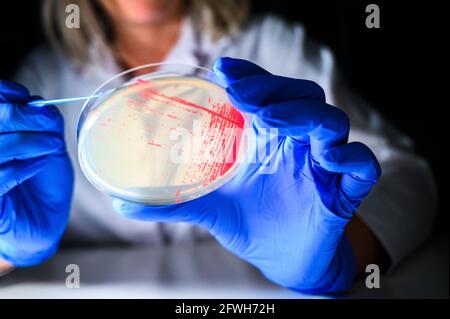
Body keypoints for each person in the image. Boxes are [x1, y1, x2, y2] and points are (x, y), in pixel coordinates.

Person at [0, 0, 436, 293]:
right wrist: (6, 249)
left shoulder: (270, 46)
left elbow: (408, 175)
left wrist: (337, 255)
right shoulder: (42, 80)